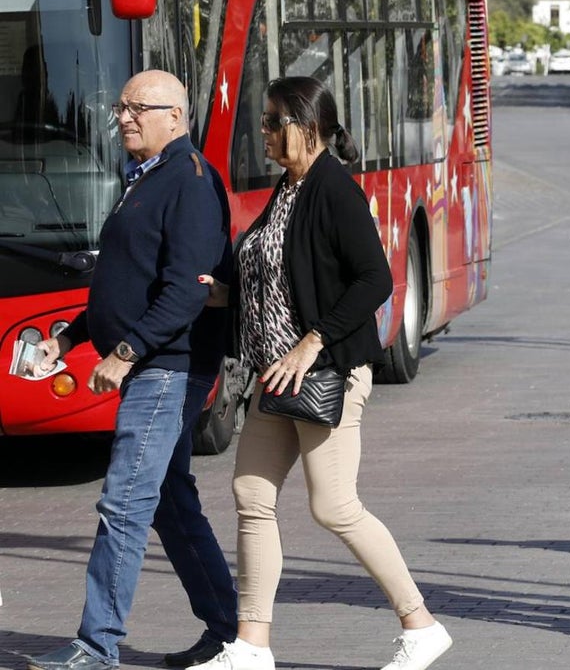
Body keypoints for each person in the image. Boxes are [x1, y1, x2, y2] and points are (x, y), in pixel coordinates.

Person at [188, 76, 451, 670]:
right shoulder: (288, 187)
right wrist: (226, 293)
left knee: (334, 507)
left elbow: (375, 279)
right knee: (251, 495)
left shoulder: (334, 189)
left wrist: (312, 342)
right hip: (273, 378)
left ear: (306, 126)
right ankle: (252, 648)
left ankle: (421, 625)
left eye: (273, 120)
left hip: (325, 373)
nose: (263, 132)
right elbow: (286, 274)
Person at [27, 70, 238, 670]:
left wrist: (124, 355)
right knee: (169, 500)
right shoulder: (143, 178)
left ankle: (97, 647)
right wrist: (68, 337)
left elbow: (185, 292)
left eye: (138, 108)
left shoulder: (191, 182)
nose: (124, 117)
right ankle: (228, 632)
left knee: (124, 503)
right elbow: (125, 282)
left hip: (167, 369)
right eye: (120, 107)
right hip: (150, 364)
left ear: (176, 115)